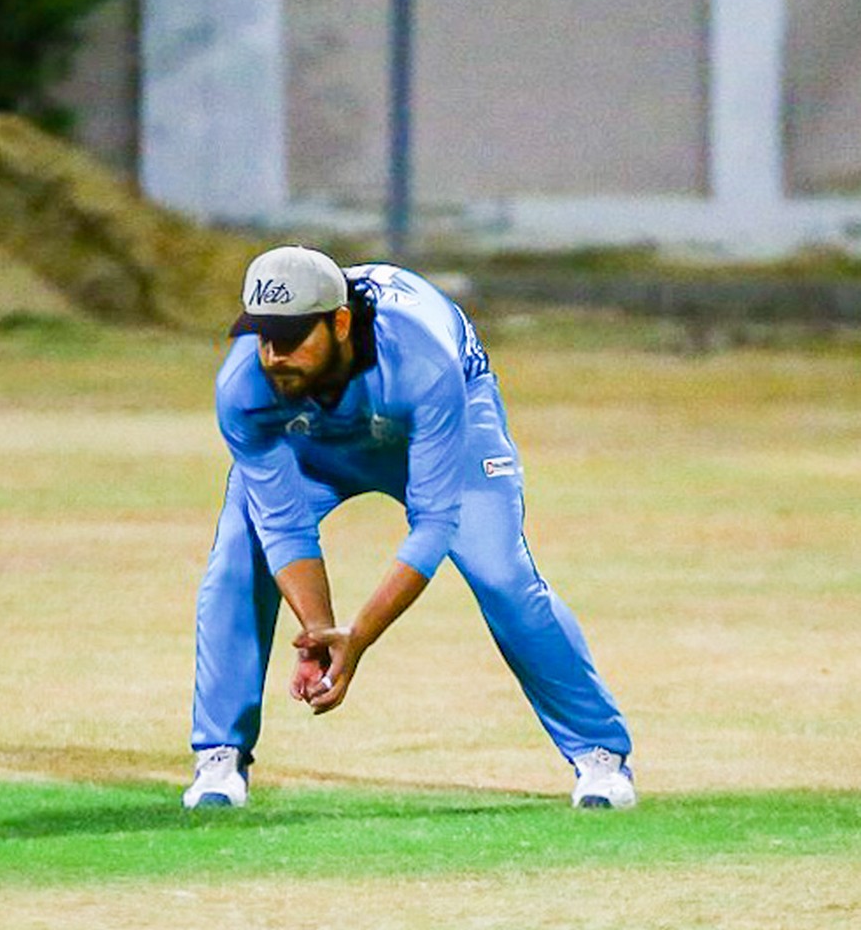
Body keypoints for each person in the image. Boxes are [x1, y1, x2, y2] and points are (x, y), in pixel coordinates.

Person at [183, 245, 634, 810]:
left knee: (500, 574)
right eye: (263, 336)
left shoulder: (421, 362)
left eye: (292, 337)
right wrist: (320, 632)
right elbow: (282, 525)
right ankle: (220, 756)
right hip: (314, 444)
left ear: (339, 323)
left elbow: (434, 523)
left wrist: (359, 638)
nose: (274, 355)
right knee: (237, 556)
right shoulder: (243, 387)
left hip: (444, 423)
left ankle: (599, 755)